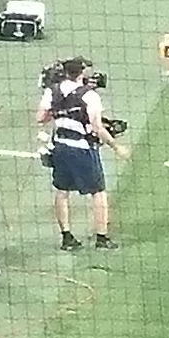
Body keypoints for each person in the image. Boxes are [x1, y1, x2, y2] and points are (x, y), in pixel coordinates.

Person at [42, 60, 122, 251]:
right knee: (98, 192)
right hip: (83, 149)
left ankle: (67, 238)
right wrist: (115, 145)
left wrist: (59, 113)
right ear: (81, 74)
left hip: (60, 147)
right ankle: (102, 238)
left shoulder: (52, 91)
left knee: (62, 192)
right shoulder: (90, 96)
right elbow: (97, 128)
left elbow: (41, 117)